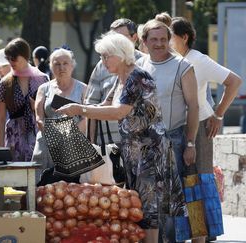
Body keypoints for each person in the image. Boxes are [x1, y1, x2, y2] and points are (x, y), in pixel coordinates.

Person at [57, 33, 185, 243]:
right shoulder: (121, 78)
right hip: (135, 152)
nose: (103, 61)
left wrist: (80, 109)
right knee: (140, 206)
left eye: (106, 56)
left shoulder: (137, 77)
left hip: (150, 151)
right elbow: (105, 106)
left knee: (149, 209)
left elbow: (119, 112)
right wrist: (74, 110)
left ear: (121, 54)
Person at [170, 17, 242, 243]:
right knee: (182, 183)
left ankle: (199, 238)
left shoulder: (198, 60)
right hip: (178, 127)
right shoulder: (172, 60)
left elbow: (234, 81)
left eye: (169, 36)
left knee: (197, 183)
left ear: (184, 37)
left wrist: (219, 114)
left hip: (200, 128)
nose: (165, 42)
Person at [136, 19, 200, 242]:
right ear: (144, 41)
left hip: (173, 139)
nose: (159, 43)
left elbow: (194, 106)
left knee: (171, 203)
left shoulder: (183, 66)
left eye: (164, 39)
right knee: (148, 202)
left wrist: (190, 143)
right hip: (144, 142)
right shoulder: (139, 66)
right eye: (154, 39)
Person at [85, 18, 144, 144]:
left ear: (134, 38)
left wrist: (79, 109)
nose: (114, 43)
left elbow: (119, 112)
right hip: (108, 145)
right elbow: (93, 105)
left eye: (120, 38)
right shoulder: (104, 66)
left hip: (138, 145)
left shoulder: (141, 68)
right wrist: (91, 144)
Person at [32, 47, 87, 181]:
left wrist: (68, 137)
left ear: (72, 66)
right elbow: (39, 118)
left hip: (73, 143)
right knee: (43, 186)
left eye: (65, 63)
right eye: (57, 64)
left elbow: (87, 118)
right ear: (51, 66)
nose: (61, 67)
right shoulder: (44, 88)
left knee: (71, 189)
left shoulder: (83, 89)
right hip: (47, 143)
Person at [0, 38, 49, 161]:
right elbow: (0, 119)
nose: (11, 61)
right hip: (14, 141)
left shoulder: (42, 79)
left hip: (37, 139)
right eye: (8, 58)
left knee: (38, 177)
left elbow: (49, 113)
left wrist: (37, 108)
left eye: (14, 57)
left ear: (25, 55)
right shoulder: (5, 83)